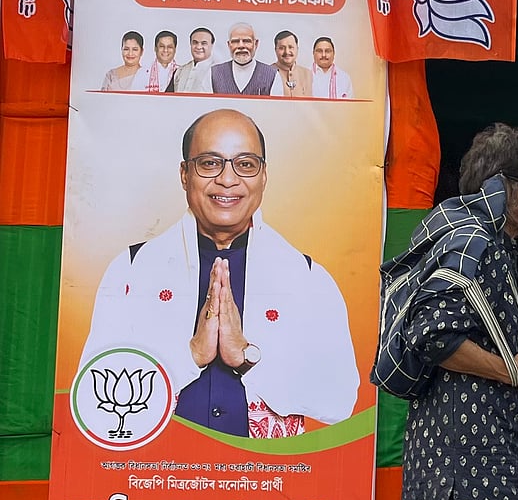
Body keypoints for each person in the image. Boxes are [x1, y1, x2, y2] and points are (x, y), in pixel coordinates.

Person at [79, 109, 358, 438]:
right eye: (210, 163)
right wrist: (191, 356)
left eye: (246, 164)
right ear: (185, 174)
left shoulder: (308, 278)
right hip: (158, 467)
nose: (228, 179)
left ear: (264, 176)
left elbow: (340, 401)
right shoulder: (130, 270)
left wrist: (245, 358)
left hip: (267, 469)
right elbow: (91, 392)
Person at [391, 123, 518, 500]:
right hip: (471, 468)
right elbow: (432, 333)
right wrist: (513, 372)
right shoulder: (475, 239)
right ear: (505, 185)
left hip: (457, 462)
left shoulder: (470, 237)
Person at [211, 23, 283, 96]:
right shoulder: (213, 74)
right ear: (229, 45)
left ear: (256, 44)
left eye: (246, 41)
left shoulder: (272, 75)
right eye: (235, 41)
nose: (241, 46)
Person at [170, 27, 216, 94]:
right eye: (195, 43)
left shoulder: (218, 72)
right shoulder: (180, 71)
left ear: (212, 45)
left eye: (204, 43)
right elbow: (168, 97)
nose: (198, 47)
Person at [272, 30, 312, 98]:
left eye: (291, 47)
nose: (287, 52)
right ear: (275, 50)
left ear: (297, 49)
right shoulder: (267, 73)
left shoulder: (308, 74)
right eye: (281, 48)